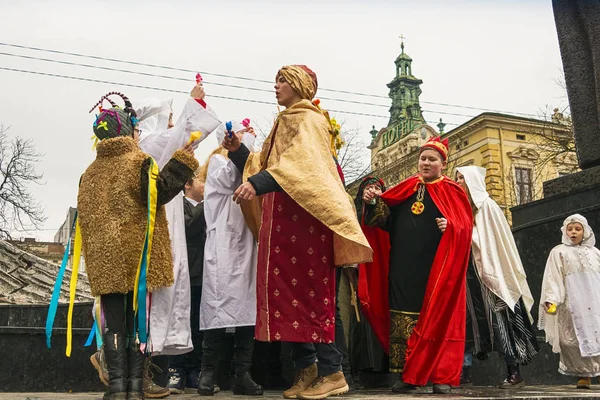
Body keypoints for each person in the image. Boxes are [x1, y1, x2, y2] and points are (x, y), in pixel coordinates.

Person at [222, 65, 372, 400]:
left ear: (300, 85)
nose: (275, 86)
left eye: (283, 80)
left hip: (306, 223)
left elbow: (300, 166)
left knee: (314, 293)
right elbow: (265, 165)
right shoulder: (285, 120)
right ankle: (309, 368)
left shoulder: (310, 119)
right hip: (285, 222)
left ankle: (334, 372)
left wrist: (256, 184)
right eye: (276, 80)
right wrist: (238, 152)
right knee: (289, 295)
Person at [78, 92, 199, 400]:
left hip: (105, 263)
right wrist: (182, 162)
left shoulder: (89, 173)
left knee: (114, 322)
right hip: (137, 259)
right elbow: (159, 192)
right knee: (139, 322)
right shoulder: (139, 162)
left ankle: (117, 386)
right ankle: (135, 384)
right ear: (125, 131)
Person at [362, 136, 473, 395]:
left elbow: (466, 227)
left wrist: (452, 228)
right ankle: (408, 375)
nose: (426, 163)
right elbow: (383, 220)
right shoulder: (407, 187)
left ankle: (440, 376)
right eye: (423, 158)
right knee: (403, 317)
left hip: (437, 267)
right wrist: (373, 202)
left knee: (438, 317)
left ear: (442, 164)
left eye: (432, 159)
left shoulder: (453, 191)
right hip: (403, 264)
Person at [195, 121, 263, 396]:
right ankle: (207, 372)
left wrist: (249, 149)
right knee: (218, 308)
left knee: (248, 309)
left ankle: (242, 374)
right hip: (223, 247)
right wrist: (243, 146)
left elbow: (253, 173)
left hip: (247, 245)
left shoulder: (245, 166)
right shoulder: (216, 166)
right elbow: (235, 175)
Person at [455, 166, 539, 388]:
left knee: (501, 321)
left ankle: (514, 371)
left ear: (472, 181)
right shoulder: (458, 208)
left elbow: (492, 243)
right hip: (467, 273)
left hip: (492, 274)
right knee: (467, 322)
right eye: (456, 178)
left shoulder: (488, 207)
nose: (458, 181)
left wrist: (457, 229)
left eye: (462, 178)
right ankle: (464, 373)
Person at [539, 214, 600, 390]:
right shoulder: (558, 252)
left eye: (578, 229)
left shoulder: (595, 253)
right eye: (570, 228)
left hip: (595, 301)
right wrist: (552, 300)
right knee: (572, 339)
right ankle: (583, 374)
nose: (573, 232)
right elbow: (553, 277)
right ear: (565, 231)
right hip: (572, 302)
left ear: (585, 231)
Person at [165, 169, 207, 394]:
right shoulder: (179, 205)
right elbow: (189, 228)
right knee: (179, 319)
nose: (206, 185)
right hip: (184, 273)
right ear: (188, 184)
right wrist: (207, 204)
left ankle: (194, 371)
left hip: (201, 274)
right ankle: (176, 369)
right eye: (203, 181)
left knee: (197, 325)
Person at [348, 176, 389, 386]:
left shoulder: (387, 211)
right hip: (362, 267)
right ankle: (363, 366)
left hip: (384, 268)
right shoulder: (355, 212)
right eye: (369, 188)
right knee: (362, 310)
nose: (373, 190)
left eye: (377, 187)